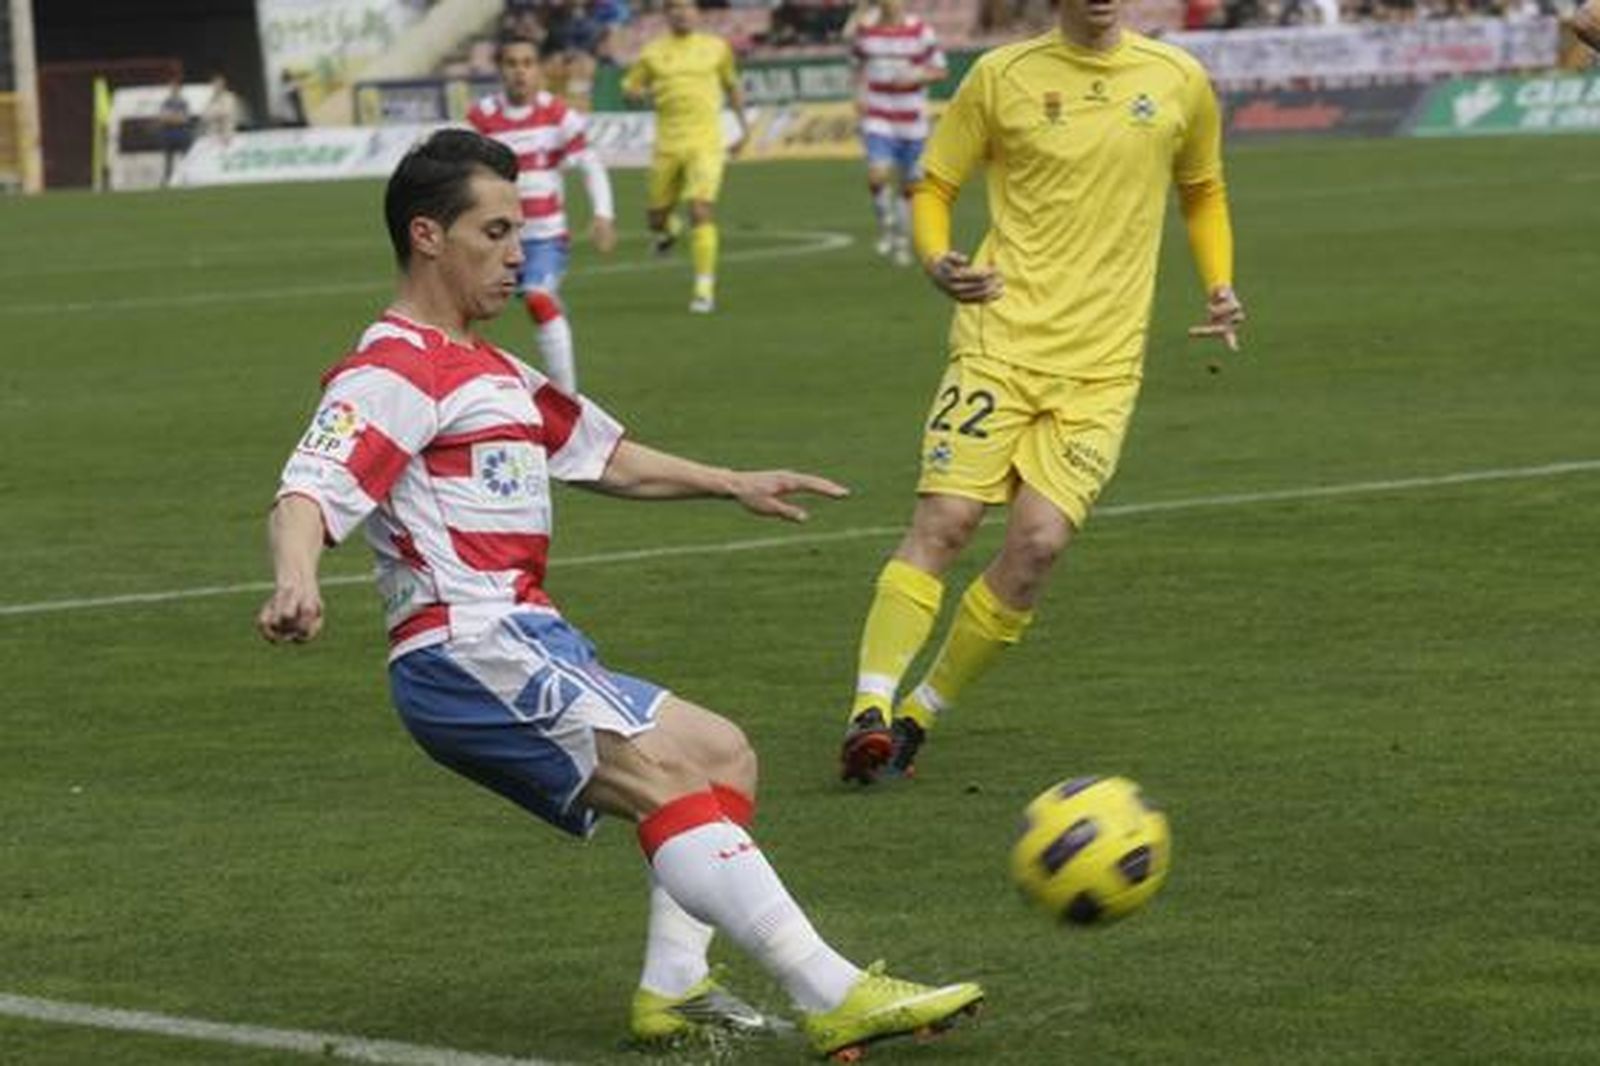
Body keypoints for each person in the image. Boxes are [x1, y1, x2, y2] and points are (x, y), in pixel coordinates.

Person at [256, 128, 983, 1057]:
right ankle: (832, 990)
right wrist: (296, 579)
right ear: (427, 236)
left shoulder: (495, 371)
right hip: (464, 649)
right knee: (663, 776)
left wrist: (731, 481)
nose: (518, 255)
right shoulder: (394, 367)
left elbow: (605, 458)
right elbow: (308, 489)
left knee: (720, 755)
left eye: (521, 232)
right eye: (496, 232)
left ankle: (673, 988)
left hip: (529, 640)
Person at [837, 0, 1246, 784]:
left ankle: (919, 714)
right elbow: (935, 184)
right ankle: (869, 706)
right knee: (947, 521)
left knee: (1037, 546)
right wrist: (936, 258)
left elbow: (1202, 189)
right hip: (1000, 337)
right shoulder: (1001, 77)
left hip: (1104, 364)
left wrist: (1219, 283)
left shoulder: (1179, 79)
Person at [468, 36, 616, 393]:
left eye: (527, 63)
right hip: (495, 238)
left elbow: (590, 164)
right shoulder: (482, 117)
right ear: (500, 70)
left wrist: (603, 214)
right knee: (467, 309)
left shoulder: (558, 114)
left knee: (537, 297)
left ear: (539, 70)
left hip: (545, 236)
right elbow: (463, 173)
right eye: (511, 63)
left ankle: (567, 398)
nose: (520, 71)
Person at [621, 0, 750, 313]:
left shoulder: (717, 48)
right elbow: (630, 87)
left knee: (700, 209)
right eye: (675, 7)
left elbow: (732, 86)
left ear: (697, 12)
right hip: (667, 145)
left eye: (687, 6)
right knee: (656, 217)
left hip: (705, 143)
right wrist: (634, 94)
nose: (682, 13)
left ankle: (704, 288)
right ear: (667, 14)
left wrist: (744, 129)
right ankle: (668, 230)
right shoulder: (652, 52)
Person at [849, 0, 946, 266]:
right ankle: (887, 223)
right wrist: (857, 96)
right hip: (878, 116)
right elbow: (856, 65)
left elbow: (940, 70)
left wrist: (916, 77)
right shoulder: (866, 31)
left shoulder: (920, 31)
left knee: (909, 187)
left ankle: (901, 240)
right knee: (877, 175)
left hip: (912, 121)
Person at [157, 78, 192, 187]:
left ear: (179, 89)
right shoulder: (166, 102)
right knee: (168, 161)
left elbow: (184, 119)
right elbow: (162, 118)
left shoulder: (183, 102)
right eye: (172, 87)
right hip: (168, 136)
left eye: (176, 87)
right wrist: (176, 118)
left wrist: (171, 118)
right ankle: (167, 180)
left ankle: (185, 179)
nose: (173, 89)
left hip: (181, 135)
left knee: (184, 159)